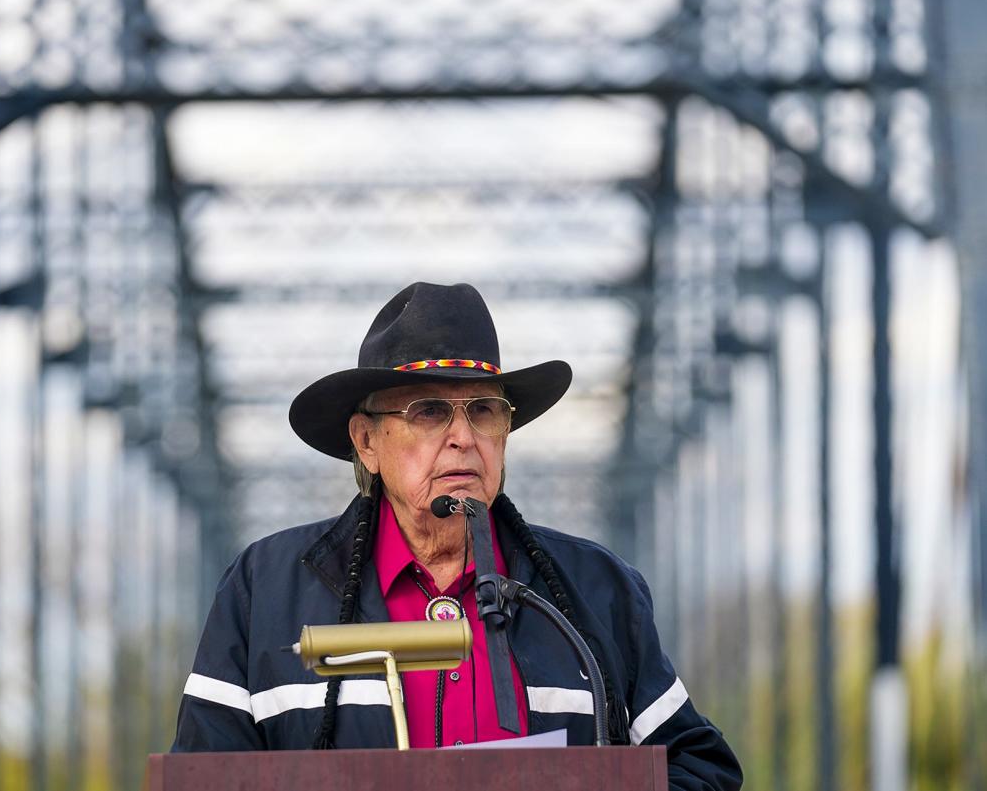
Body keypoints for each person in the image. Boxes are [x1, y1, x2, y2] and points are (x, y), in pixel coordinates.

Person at [172, 282, 742, 789]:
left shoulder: (596, 589)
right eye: (428, 412)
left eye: (486, 411)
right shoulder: (264, 590)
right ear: (367, 443)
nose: (464, 437)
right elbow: (199, 780)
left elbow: (699, 769)